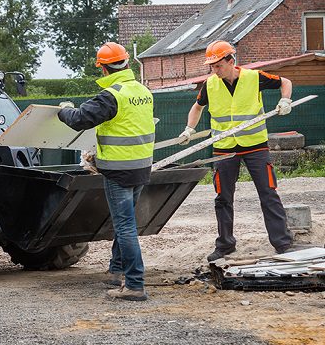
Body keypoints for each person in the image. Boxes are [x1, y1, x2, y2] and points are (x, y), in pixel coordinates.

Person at [178, 40, 294, 262]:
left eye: (218, 65)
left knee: (268, 193)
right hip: (224, 148)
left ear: (231, 61)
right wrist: (189, 129)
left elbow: (285, 82)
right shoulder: (210, 85)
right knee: (223, 197)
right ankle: (225, 245)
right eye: (212, 66)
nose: (215, 70)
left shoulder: (254, 78)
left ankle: (282, 243)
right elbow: (197, 106)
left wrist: (285, 100)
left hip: (255, 145)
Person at [58, 42, 154, 302]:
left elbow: (79, 119)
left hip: (119, 171)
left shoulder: (112, 95)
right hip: (141, 167)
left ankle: (134, 284)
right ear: (127, 63)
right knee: (126, 222)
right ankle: (116, 271)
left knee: (125, 226)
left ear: (103, 68)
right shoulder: (143, 91)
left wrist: (63, 110)